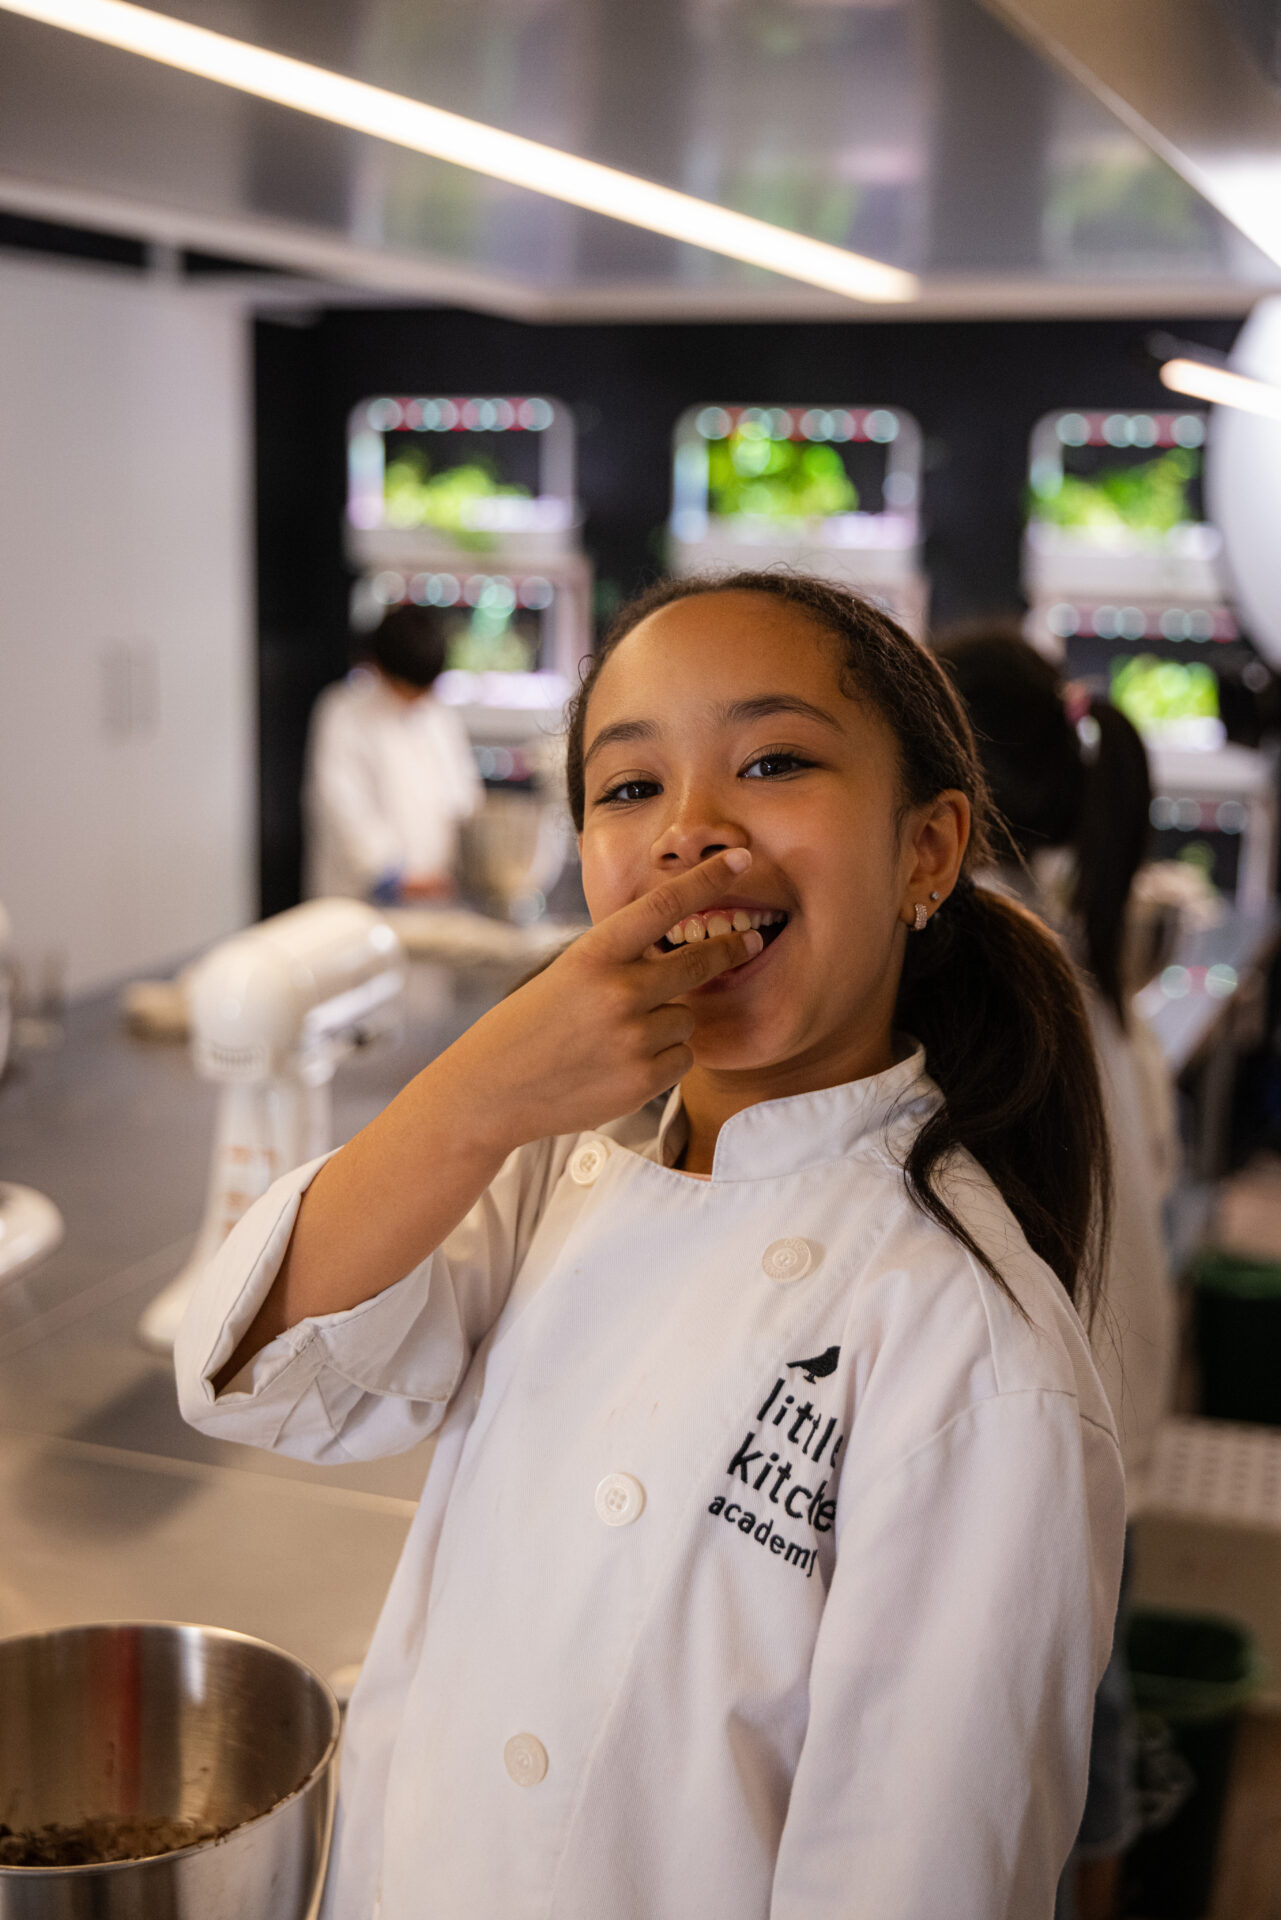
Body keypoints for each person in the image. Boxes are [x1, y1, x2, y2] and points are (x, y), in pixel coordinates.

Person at [177, 572, 1125, 1920]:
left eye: (774, 761)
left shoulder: (971, 1360)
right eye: (628, 789)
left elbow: (912, 1884)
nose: (690, 831)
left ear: (926, 850)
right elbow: (274, 1376)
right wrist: (477, 1089)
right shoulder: (559, 1166)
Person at [935, 626, 1178, 1920]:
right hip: (1118, 1426)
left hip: (1044, 1451)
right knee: (1090, 1721)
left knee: (1033, 1763)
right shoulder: (1079, 971)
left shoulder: (968, 989)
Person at [303, 603, 481, 903]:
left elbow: (463, 794)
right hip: (361, 900)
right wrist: (393, 875)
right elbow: (341, 805)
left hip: (434, 897)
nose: (417, 699)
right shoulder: (344, 712)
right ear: (379, 667)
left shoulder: (439, 716)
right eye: (408, 689)